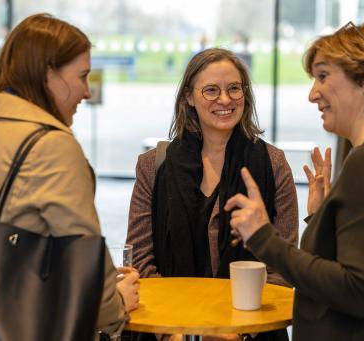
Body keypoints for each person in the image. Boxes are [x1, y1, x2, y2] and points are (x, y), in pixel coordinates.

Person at [225, 22, 364, 341]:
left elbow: (357, 289)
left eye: (324, 76)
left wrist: (262, 237)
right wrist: (323, 222)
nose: (313, 93)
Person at [0, 13, 139, 339]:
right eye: (82, 76)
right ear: (48, 73)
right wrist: (117, 310)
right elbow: (84, 257)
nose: (86, 91)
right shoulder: (51, 145)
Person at [126, 48, 298, 340]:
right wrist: (176, 330)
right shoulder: (153, 166)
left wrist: (236, 330)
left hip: (250, 332)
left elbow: (282, 265)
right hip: (168, 331)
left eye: (234, 88)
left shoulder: (274, 164)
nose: (225, 99)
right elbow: (140, 259)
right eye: (211, 90)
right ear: (189, 98)